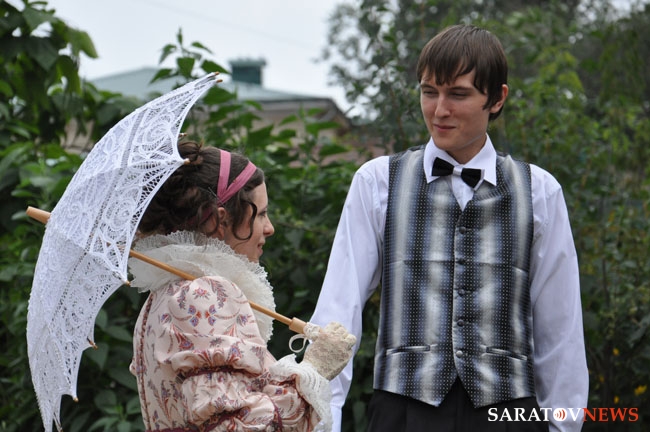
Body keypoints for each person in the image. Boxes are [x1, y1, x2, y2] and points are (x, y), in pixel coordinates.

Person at [310, 24, 588, 432]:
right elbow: (338, 312)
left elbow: (561, 330)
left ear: (497, 99)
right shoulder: (377, 182)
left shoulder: (540, 192)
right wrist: (322, 420)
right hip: (403, 414)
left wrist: (563, 425)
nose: (439, 110)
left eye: (457, 94)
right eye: (429, 92)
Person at [128, 140, 356, 431]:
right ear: (220, 221)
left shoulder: (161, 298)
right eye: (260, 214)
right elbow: (235, 425)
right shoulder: (204, 295)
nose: (270, 228)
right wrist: (313, 371)